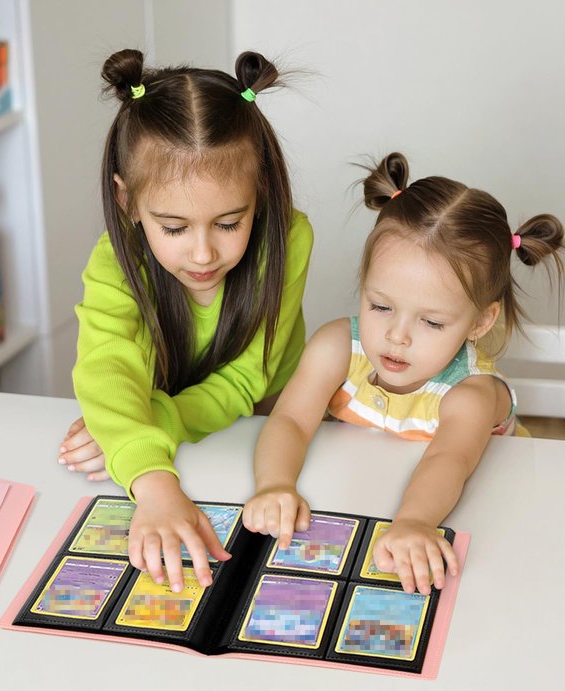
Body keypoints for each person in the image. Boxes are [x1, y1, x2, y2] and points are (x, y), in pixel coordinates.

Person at [244, 152, 564, 595]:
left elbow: (447, 461)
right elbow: (291, 420)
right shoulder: (337, 347)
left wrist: (415, 521)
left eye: (430, 322)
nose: (397, 336)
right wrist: (275, 484)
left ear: (479, 322)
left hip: (486, 512)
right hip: (358, 491)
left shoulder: (471, 394)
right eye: (380, 306)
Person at [58, 49, 314, 593]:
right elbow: (107, 367)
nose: (202, 254)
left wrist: (142, 427)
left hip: (267, 425)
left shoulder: (289, 239)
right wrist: (149, 473)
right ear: (127, 200)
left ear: (261, 192)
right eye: (174, 228)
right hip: (180, 445)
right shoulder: (115, 261)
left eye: (229, 223)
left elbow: (246, 381)